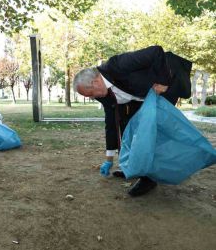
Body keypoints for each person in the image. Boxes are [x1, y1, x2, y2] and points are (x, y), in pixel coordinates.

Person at [73, 45, 192, 197]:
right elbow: (112, 124)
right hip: (142, 95)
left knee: (151, 131)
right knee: (128, 127)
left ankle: (149, 179)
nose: (92, 98)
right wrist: (109, 158)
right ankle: (133, 166)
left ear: (96, 82)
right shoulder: (102, 94)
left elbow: (156, 52)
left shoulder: (117, 64)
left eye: (90, 94)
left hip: (168, 79)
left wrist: (163, 82)